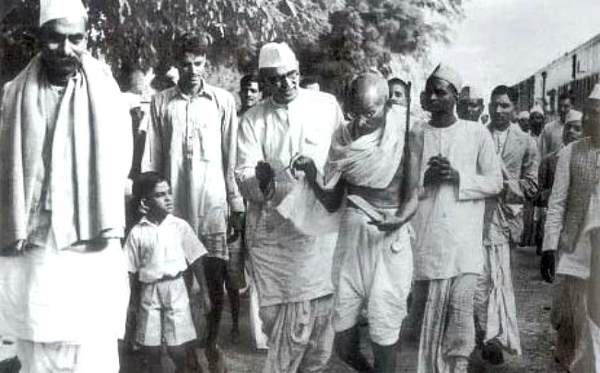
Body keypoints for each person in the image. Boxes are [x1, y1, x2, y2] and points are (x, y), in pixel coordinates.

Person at [0, 0, 132, 371]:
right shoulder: (13, 94)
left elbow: (120, 159)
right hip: (36, 242)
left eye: (77, 38)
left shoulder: (106, 92)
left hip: (91, 237)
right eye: (56, 39)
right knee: (38, 343)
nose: (66, 49)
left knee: (93, 343)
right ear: (39, 39)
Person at [292, 73, 422, 372]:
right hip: (351, 242)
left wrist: (399, 219)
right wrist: (312, 172)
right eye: (355, 113)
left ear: (387, 104)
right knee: (343, 342)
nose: (361, 122)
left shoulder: (406, 132)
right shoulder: (343, 137)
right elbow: (332, 201)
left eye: (370, 113)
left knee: (383, 334)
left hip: (389, 242)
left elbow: (413, 195)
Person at [236, 41, 344, 373]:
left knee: (319, 324)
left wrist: (319, 175)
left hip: (318, 235)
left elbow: (343, 157)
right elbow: (242, 172)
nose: (287, 84)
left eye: (292, 75)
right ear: (265, 82)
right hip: (274, 237)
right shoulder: (253, 120)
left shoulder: (326, 106)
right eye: (277, 79)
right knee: (274, 320)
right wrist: (263, 179)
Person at [142, 32, 245, 372]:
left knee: (213, 279)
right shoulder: (161, 102)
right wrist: (153, 203)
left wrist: (235, 203)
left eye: (198, 63)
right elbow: (153, 158)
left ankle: (212, 342)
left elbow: (231, 158)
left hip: (213, 203)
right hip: (175, 206)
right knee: (175, 284)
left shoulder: (223, 102)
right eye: (186, 64)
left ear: (207, 63)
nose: (192, 70)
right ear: (177, 64)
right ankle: (188, 356)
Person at [412, 64, 502, 373]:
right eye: (430, 92)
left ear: (455, 96)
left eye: (441, 92)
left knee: (460, 308)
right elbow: (403, 188)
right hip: (426, 240)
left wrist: (457, 177)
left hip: (464, 243)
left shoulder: (476, 132)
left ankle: (459, 366)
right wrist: (425, 179)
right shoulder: (416, 134)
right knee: (426, 317)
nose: (434, 97)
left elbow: (495, 182)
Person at [474, 85, 538, 364]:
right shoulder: (477, 135)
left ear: (515, 107)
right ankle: (479, 332)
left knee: (498, 280)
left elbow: (532, 186)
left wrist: (503, 187)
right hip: (474, 218)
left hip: (505, 221)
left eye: (504, 106)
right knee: (476, 280)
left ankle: (494, 337)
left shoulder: (526, 142)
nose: (498, 111)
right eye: (494, 105)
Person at [125, 172, 210, 373]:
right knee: (150, 349)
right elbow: (129, 269)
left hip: (176, 287)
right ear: (146, 200)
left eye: (169, 193)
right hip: (149, 290)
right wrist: (131, 302)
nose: (168, 198)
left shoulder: (180, 226)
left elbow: (196, 258)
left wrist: (205, 292)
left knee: (178, 348)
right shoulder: (138, 232)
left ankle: (185, 368)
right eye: (160, 195)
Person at [540, 85, 600, 372]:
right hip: (574, 246)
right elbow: (557, 203)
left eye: (596, 114)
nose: (589, 120)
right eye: (587, 113)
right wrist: (549, 247)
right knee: (570, 315)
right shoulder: (571, 152)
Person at [535, 110, 583, 253]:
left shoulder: (591, 160)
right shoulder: (549, 160)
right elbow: (539, 194)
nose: (571, 132)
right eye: (568, 127)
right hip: (554, 219)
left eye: (577, 128)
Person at [539, 92, 575, 158]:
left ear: (572, 107)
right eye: (560, 106)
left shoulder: (577, 128)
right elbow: (542, 153)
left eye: (566, 106)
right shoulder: (548, 128)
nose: (562, 109)